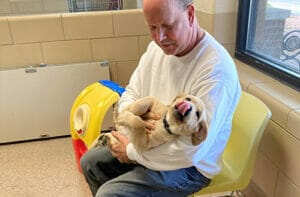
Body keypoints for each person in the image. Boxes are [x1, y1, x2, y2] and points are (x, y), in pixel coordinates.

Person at [80, 0, 241, 196]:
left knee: (110, 194)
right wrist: (134, 121)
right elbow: (131, 92)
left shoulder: (216, 70)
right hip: (148, 143)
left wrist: (132, 152)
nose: (160, 37)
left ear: (190, 14)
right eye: (153, 27)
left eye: (167, 26)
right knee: (90, 163)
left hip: (191, 166)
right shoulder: (155, 49)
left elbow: (191, 150)